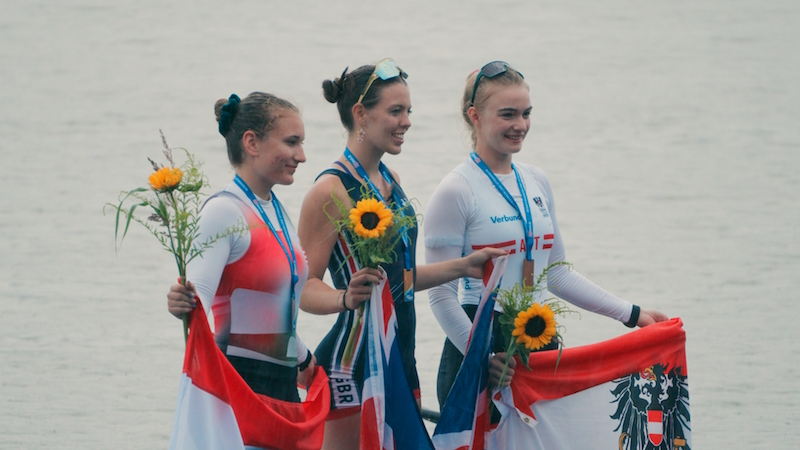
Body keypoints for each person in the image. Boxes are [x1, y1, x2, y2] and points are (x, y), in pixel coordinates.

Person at [423, 61, 669, 409]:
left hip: (539, 339)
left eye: (526, 114)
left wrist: (630, 313)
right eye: (508, 114)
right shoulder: (456, 190)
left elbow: (555, 273)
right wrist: (482, 356)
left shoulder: (536, 181)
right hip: (479, 348)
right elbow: (440, 296)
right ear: (474, 115)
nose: (520, 125)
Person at [297, 59, 504, 450]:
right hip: (353, 361)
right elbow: (302, 288)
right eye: (395, 111)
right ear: (360, 113)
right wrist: (344, 297)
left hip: (399, 355)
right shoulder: (330, 190)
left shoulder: (391, 180)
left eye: (408, 111)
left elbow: (399, 280)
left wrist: (462, 267)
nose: (406, 121)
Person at [166, 92, 317, 404]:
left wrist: (305, 360)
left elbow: (271, 313)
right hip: (238, 392)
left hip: (284, 390)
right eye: (291, 142)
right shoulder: (222, 212)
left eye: (301, 143)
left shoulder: (278, 210)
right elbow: (195, 309)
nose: (301, 155)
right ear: (252, 143)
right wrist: (179, 300)